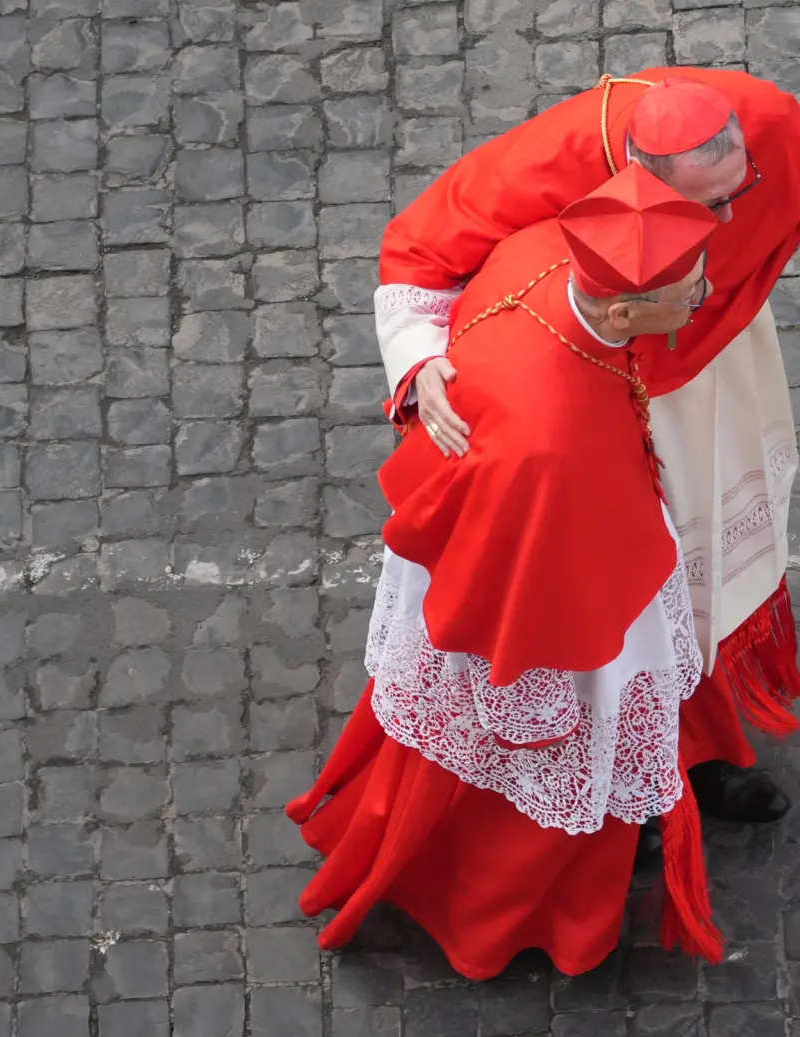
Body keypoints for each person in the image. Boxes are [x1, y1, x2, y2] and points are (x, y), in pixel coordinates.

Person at [371, 70, 800, 824]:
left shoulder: (759, 120)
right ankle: (629, 781)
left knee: (704, 583)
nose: (731, 218)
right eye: (707, 206)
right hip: (599, 398)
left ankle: (700, 755)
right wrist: (420, 360)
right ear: (637, 178)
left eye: (740, 187)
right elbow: (419, 247)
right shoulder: (559, 156)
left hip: (715, 374)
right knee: (623, 602)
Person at [286, 166, 733, 978]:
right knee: (565, 751)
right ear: (627, 311)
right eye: (690, 290)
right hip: (550, 592)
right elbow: (536, 597)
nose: (703, 297)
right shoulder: (544, 445)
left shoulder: (542, 250)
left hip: (567, 527)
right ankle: (522, 912)